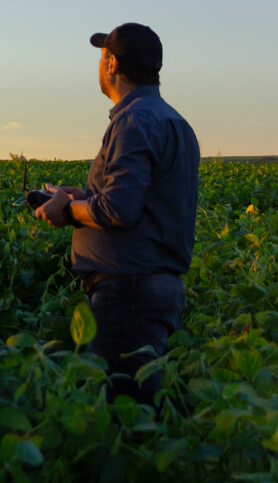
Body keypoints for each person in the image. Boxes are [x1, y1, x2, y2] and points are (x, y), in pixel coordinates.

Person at [34, 22, 199, 407]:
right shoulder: (175, 122)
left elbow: (119, 209)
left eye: (102, 55)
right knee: (142, 406)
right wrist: (83, 196)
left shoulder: (134, 120)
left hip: (128, 293)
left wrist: (67, 210)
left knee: (124, 415)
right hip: (155, 286)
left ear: (111, 64)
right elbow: (142, 200)